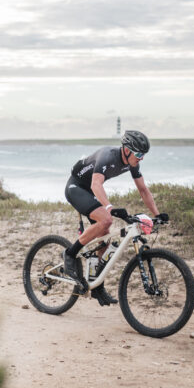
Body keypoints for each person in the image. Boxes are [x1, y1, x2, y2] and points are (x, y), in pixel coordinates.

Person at [63, 130, 168, 305]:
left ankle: (97, 286)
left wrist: (157, 214)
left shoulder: (133, 163)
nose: (141, 158)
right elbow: (96, 184)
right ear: (126, 150)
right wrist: (110, 208)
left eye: (144, 155)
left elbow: (143, 190)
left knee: (105, 240)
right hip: (77, 187)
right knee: (106, 220)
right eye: (139, 154)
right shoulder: (107, 156)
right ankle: (69, 254)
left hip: (90, 190)